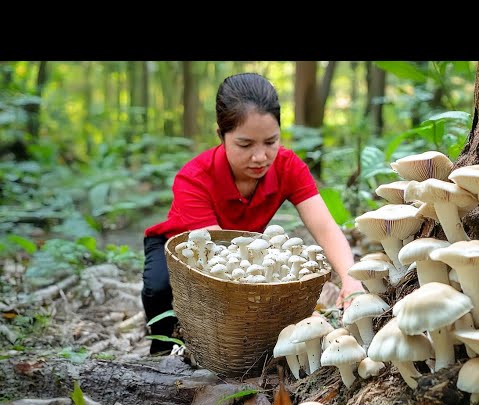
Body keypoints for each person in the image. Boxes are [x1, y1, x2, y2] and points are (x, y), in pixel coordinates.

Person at [142, 72, 364, 354]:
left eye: (271, 142)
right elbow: (217, 259)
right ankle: (160, 350)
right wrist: (288, 313)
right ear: (221, 135)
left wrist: (350, 278)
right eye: (245, 145)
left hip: (243, 252)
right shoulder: (194, 178)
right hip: (186, 250)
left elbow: (325, 227)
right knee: (160, 289)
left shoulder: (287, 166)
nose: (260, 157)